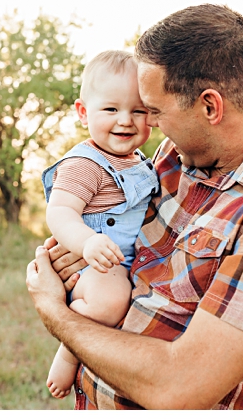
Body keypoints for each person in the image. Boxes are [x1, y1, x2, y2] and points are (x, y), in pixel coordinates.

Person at [25, 4, 243, 408]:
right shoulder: (174, 156)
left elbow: (180, 388)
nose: (149, 125)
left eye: (155, 111)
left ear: (210, 107)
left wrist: (56, 312)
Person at [39, 50, 158, 399]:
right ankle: (69, 348)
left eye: (138, 111)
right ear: (82, 112)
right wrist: (87, 242)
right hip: (94, 264)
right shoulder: (84, 164)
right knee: (111, 303)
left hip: (121, 263)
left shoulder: (140, 163)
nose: (126, 120)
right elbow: (59, 213)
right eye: (111, 109)